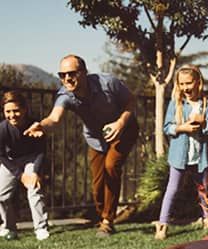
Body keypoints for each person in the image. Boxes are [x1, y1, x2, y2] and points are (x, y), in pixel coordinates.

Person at [24, 54, 139, 237]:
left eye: (72, 73)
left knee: (111, 167)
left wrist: (120, 123)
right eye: (62, 75)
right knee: (97, 185)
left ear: (84, 72)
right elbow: (54, 118)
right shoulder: (65, 95)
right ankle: (104, 216)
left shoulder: (108, 83)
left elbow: (131, 102)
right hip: (95, 138)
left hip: (124, 130)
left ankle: (108, 221)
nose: (67, 79)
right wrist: (42, 125)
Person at [153, 64, 208, 240]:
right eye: (182, 84)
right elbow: (167, 128)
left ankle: (207, 219)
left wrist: (203, 124)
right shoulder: (176, 104)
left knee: (203, 190)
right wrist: (182, 128)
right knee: (172, 189)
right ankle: (163, 224)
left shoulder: (207, 105)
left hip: (200, 157)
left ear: (198, 82)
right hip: (179, 157)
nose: (186, 88)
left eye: (189, 83)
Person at [0, 90, 49, 240]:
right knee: (1, 194)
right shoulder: (2, 129)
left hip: (31, 159)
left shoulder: (35, 125)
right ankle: (8, 228)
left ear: (24, 109)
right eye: (8, 111)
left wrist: (34, 172)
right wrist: (20, 176)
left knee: (34, 189)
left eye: (16, 110)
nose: (12, 115)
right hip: (11, 162)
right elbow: (1, 155)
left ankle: (40, 228)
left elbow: (41, 151)